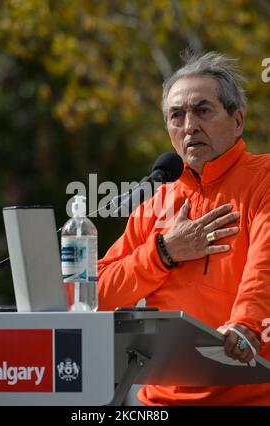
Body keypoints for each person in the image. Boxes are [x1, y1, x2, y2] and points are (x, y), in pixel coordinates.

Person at [98, 51, 270, 405]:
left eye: (202, 110)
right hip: (158, 402)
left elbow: (263, 270)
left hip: (251, 394)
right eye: (177, 115)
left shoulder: (264, 179)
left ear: (237, 120)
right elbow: (95, 296)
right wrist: (163, 252)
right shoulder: (154, 203)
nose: (189, 125)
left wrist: (245, 326)